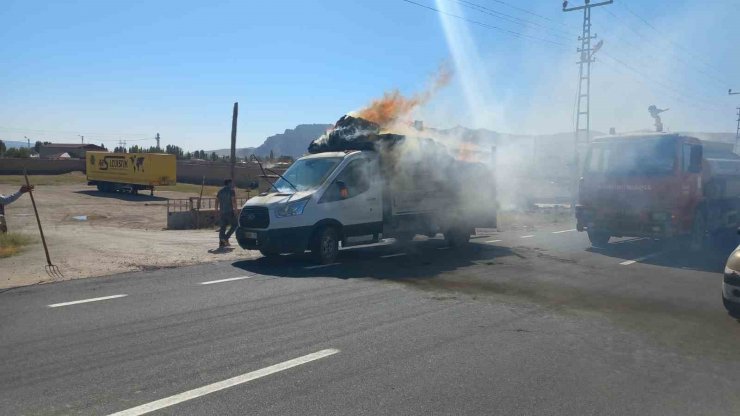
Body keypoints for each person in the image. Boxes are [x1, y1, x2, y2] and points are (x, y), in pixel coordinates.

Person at [215, 179, 237, 247]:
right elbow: (233, 201)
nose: (233, 184)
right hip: (229, 211)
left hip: (222, 212)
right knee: (235, 225)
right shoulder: (231, 191)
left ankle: (222, 243)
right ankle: (225, 238)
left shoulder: (220, 191)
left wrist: (216, 210)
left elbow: (216, 201)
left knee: (223, 227)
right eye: (232, 183)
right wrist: (235, 211)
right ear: (229, 183)